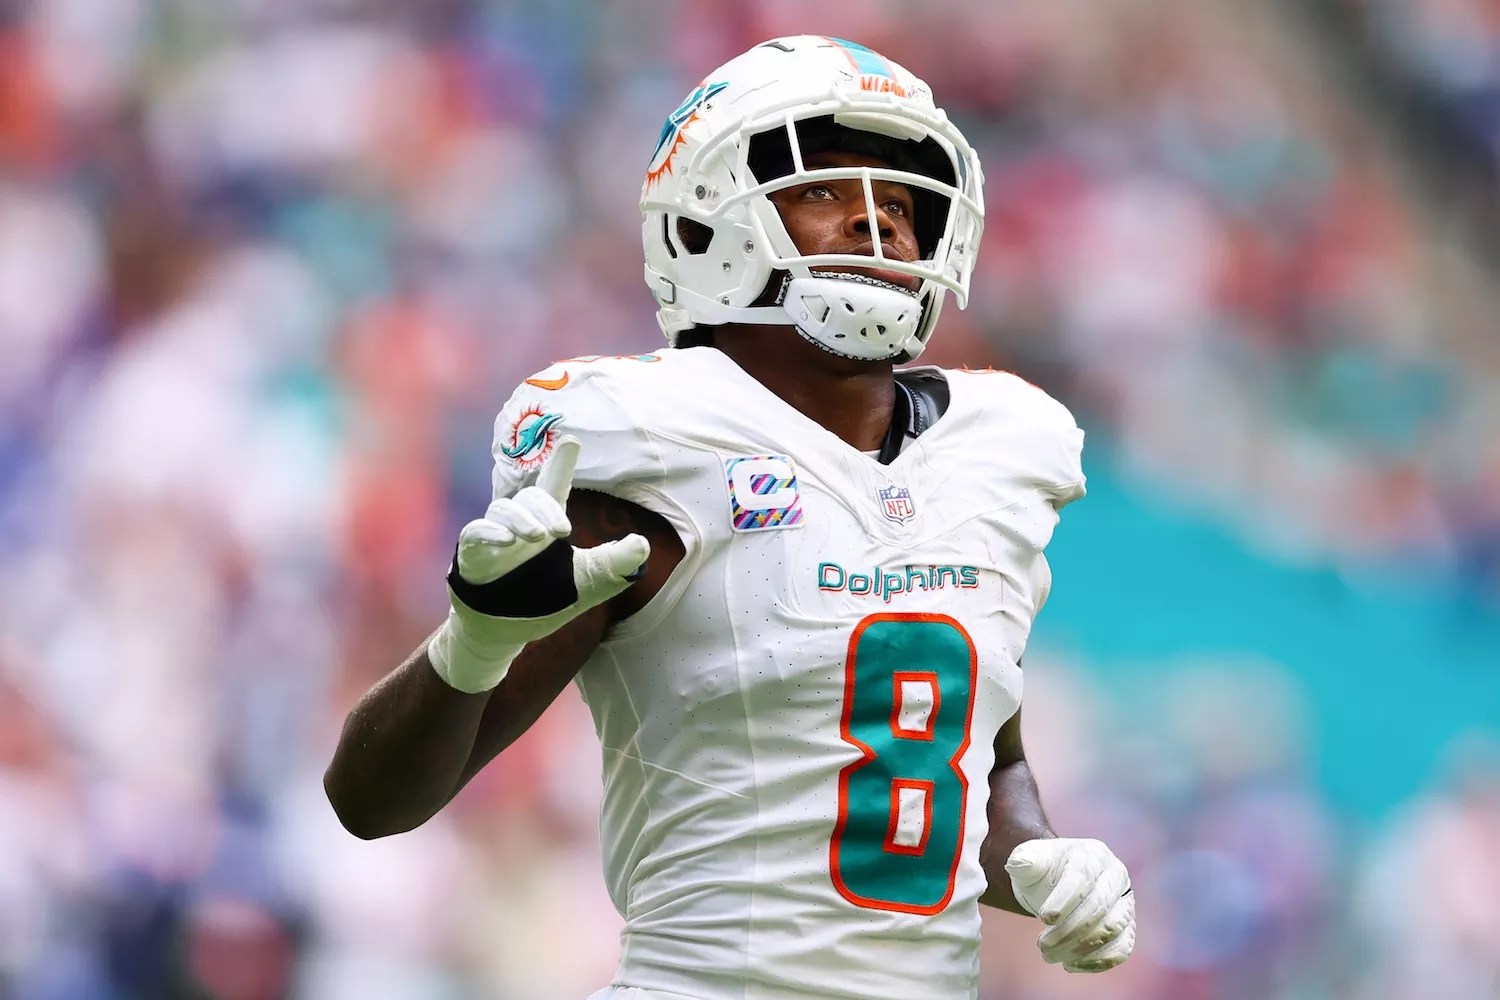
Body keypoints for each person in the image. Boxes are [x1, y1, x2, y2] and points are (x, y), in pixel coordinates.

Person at [324, 34, 1136, 1000]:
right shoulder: (648, 446)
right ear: (709, 221)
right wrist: (472, 645)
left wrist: (1044, 858)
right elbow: (370, 802)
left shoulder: (997, 451)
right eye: (826, 191)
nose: (877, 229)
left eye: (902, 204)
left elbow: (960, 759)